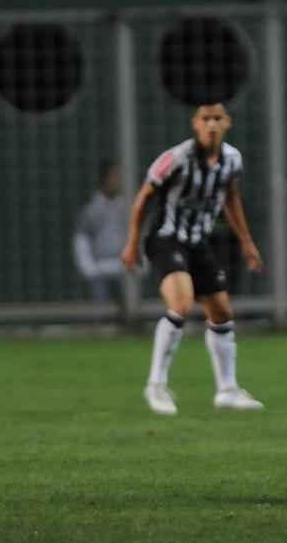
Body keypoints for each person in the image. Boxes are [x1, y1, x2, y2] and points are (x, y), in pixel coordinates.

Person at [120, 103, 265, 415]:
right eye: (205, 119)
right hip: (165, 238)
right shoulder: (176, 159)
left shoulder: (232, 160)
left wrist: (247, 242)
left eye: (217, 119)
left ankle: (227, 389)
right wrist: (132, 243)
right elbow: (144, 197)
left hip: (198, 241)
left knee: (222, 311)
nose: (211, 124)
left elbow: (231, 198)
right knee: (181, 304)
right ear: (195, 124)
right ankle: (156, 384)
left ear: (227, 123)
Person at [73, 161, 128, 307]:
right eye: (115, 176)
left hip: (123, 265)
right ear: (105, 179)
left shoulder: (126, 207)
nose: (119, 181)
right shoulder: (91, 209)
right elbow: (82, 238)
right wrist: (87, 265)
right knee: (100, 306)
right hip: (100, 266)